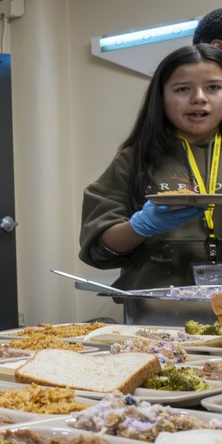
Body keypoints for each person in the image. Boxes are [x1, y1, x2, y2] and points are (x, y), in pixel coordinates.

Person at [80, 43, 222, 289]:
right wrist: (141, 226)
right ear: (162, 97)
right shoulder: (134, 159)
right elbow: (98, 250)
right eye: (182, 89)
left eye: (213, 87)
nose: (199, 98)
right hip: (154, 315)